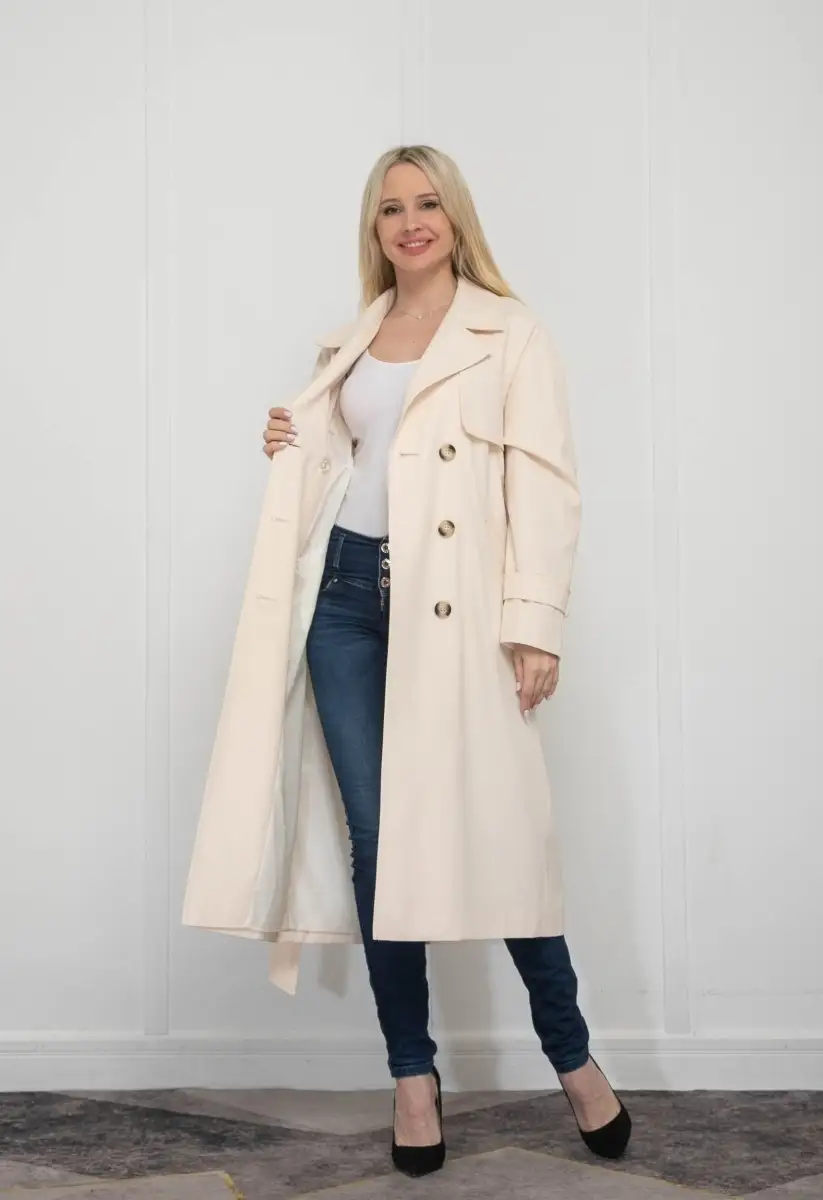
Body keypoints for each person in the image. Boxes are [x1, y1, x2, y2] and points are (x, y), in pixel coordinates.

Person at [183, 144, 631, 1178]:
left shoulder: (509, 332)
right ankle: (412, 1077)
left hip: (458, 612)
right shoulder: (354, 338)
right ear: (374, 226)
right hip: (345, 599)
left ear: (456, 216)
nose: (411, 222)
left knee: (502, 829)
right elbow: (362, 466)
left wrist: (534, 623)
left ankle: (573, 1059)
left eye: (428, 203)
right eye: (392, 208)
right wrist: (295, 439)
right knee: (378, 843)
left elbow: (547, 486)